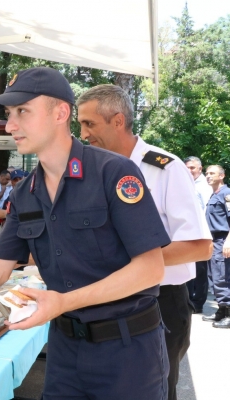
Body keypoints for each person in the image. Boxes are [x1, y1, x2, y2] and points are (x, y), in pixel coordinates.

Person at [0, 67, 171, 400]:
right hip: (66, 351)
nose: (10, 125)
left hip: (127, 352)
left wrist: (63, 301)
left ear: (60, 113)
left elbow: (151, 268)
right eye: (9, 115)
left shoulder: (113, 172)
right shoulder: (26, 193)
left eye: (22, 111)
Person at [77, 84, 212, 400]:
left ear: (118, 121)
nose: (83, 135)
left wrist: (128, 260)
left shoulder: (164, 167)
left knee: (156, 390)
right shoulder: (94, 170)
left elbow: (199, 246)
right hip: (110, 298)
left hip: (160, 301)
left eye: (89, 124)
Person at [184, 156, 214, 313]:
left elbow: (207, 211)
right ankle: (190, 300)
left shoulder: (204, 186)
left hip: (201, 234)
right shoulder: (189, 184)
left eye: (192, 168)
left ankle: (197, 302)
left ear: (200, 169)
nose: (189, 171)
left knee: (200, 271)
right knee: (190, 268)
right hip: (189, 234)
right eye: (187, 167)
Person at [202, 165, 230, 328]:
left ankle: (229, 313)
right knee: (214, 277)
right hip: (213, 241)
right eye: (207, 173)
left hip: (222, 240)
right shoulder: (214, 195)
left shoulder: (226, 194)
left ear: (222, 176)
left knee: (223, 277)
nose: (208, 176)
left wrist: (228, 241)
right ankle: (221, 310)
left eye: (212, 173)